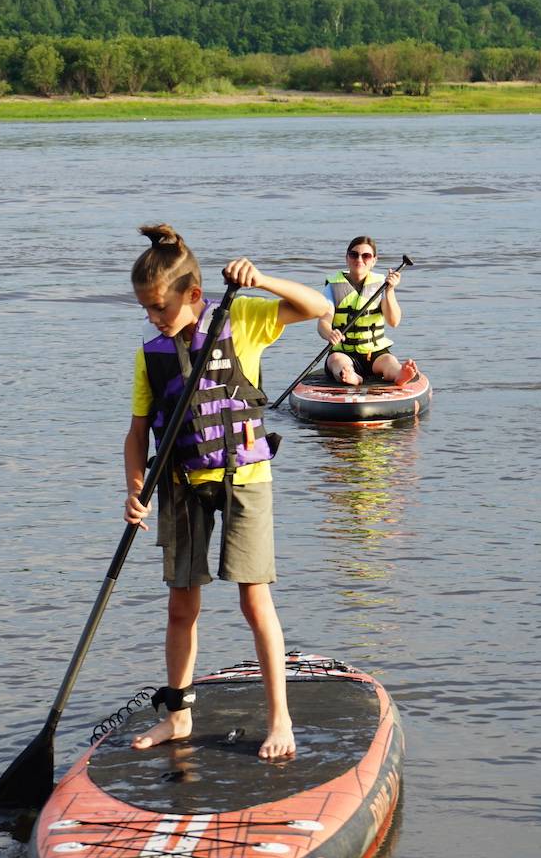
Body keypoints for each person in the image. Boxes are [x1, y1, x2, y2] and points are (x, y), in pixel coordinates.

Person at [123, 223, 333, 761]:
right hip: (181, 481)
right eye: (146, 309)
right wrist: (135, 487)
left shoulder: (242, 319)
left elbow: (317, 307)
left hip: (245, 477)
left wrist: (262, 280)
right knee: (180, 605)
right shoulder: (151, 352)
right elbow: (138, 431)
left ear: (193, 293)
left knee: (253, 599)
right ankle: (178, 715)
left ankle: (280, 719)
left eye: (159, 307)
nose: (153, 318)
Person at [319, 235, 418, 387]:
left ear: (374, 261)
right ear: (347, 258)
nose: (359, 259)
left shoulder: (383, 285)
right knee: (336, 361)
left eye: (366, 256)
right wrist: (329, 333)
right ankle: (350, 376)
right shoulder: (332, 287)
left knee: (389, 361)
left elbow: (394, 321)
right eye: (354, 255)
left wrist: (390, 290)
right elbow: (323, 322)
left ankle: (398, 374)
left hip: (375, 352)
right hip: (344, 352)